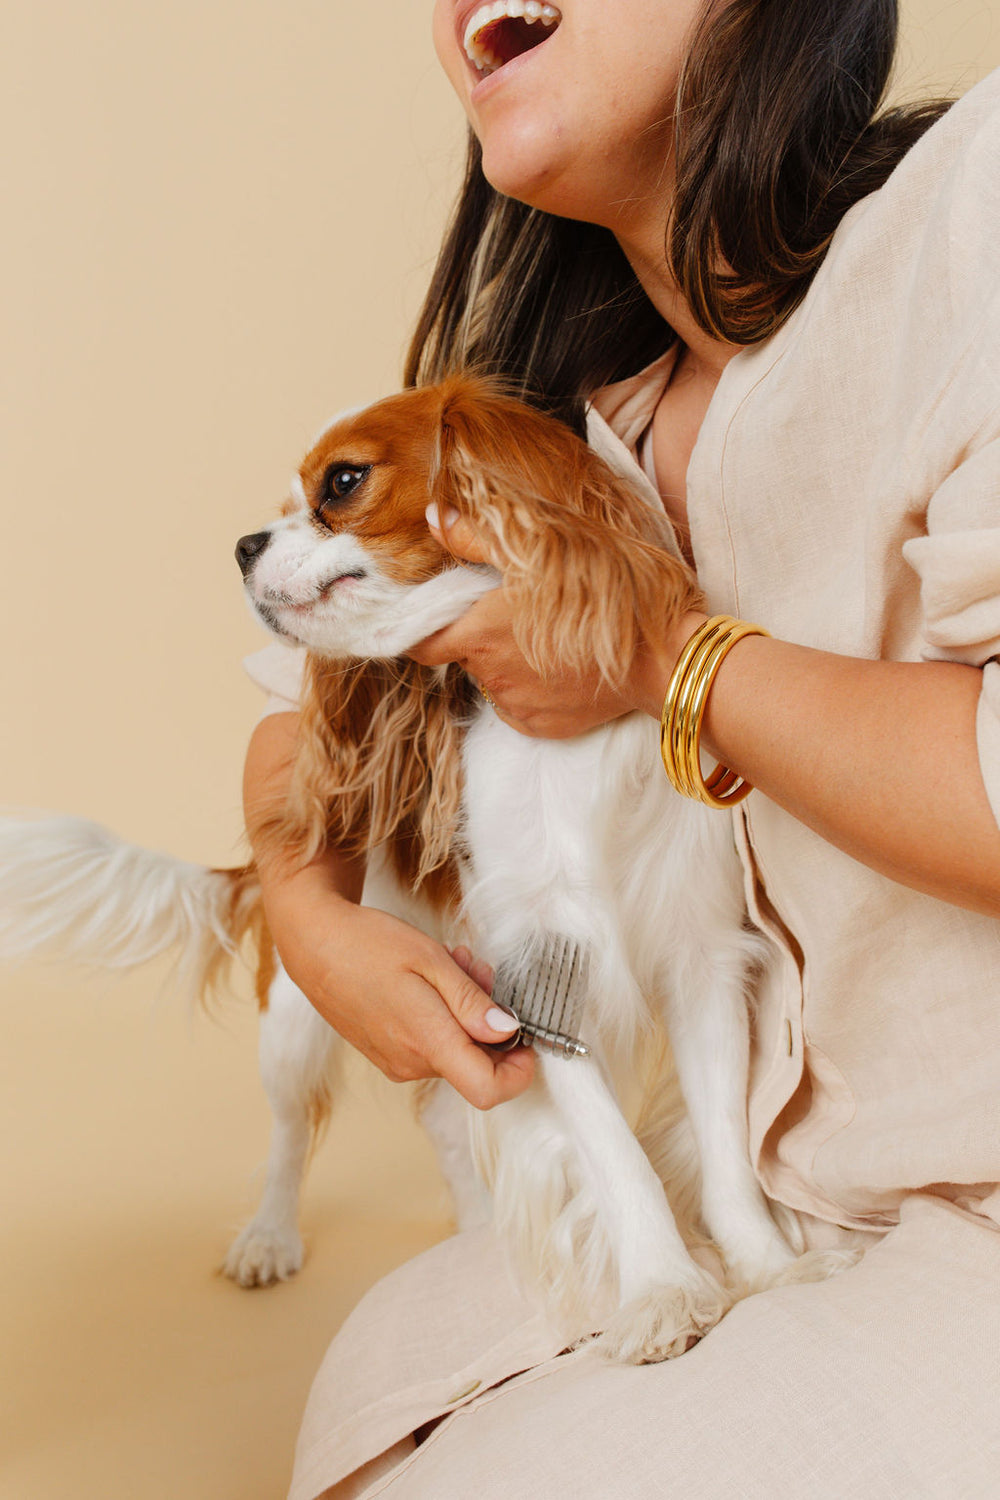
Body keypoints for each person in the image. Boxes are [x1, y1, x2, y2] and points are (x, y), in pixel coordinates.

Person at [243, 2, 1000, 1495]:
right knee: (377, 1390)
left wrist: (658, 659)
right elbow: (295, 718)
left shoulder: (972, 214)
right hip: (765, 1185)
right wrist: (308, 916)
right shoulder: (557, 416)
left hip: (968, 1192)